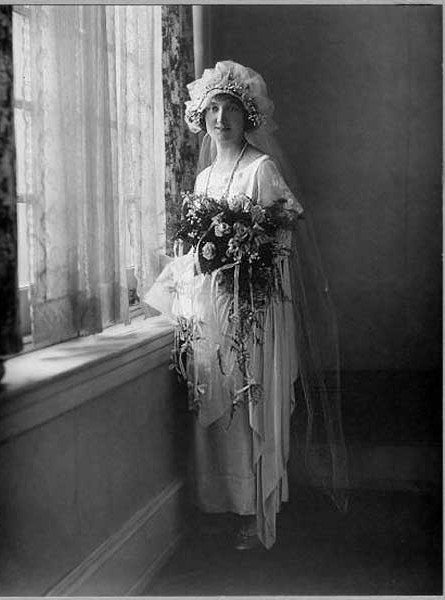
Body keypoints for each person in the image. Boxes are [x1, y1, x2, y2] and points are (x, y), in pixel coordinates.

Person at [145, 60, 348, 550]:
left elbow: (283, 238)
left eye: (230, 109)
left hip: (254, 311)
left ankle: (258, 514)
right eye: (212, 109)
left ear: (247, 115)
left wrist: (245, 253)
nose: (220, 119)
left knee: (251, 406)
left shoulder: (262, 169)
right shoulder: (203, 180)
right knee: (219, 410)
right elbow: (196, 252)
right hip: (210, 312)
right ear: (200, 118)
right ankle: (223, 504)